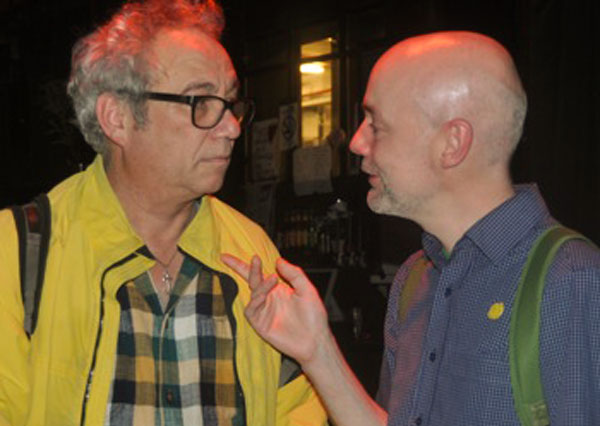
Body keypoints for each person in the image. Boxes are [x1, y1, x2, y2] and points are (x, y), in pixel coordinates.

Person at [222, 31, 600, 425]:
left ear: (452, 143)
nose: (355, 142)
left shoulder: (574, 283)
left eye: (376, 124)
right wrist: (317, 350)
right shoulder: (414, 279)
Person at [0, 1, 327, 424]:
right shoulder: (19, 253)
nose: (231, 127)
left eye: (230, 103)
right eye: (201, 102)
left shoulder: (253, 251)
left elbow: (299, 410)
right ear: (117, 118)